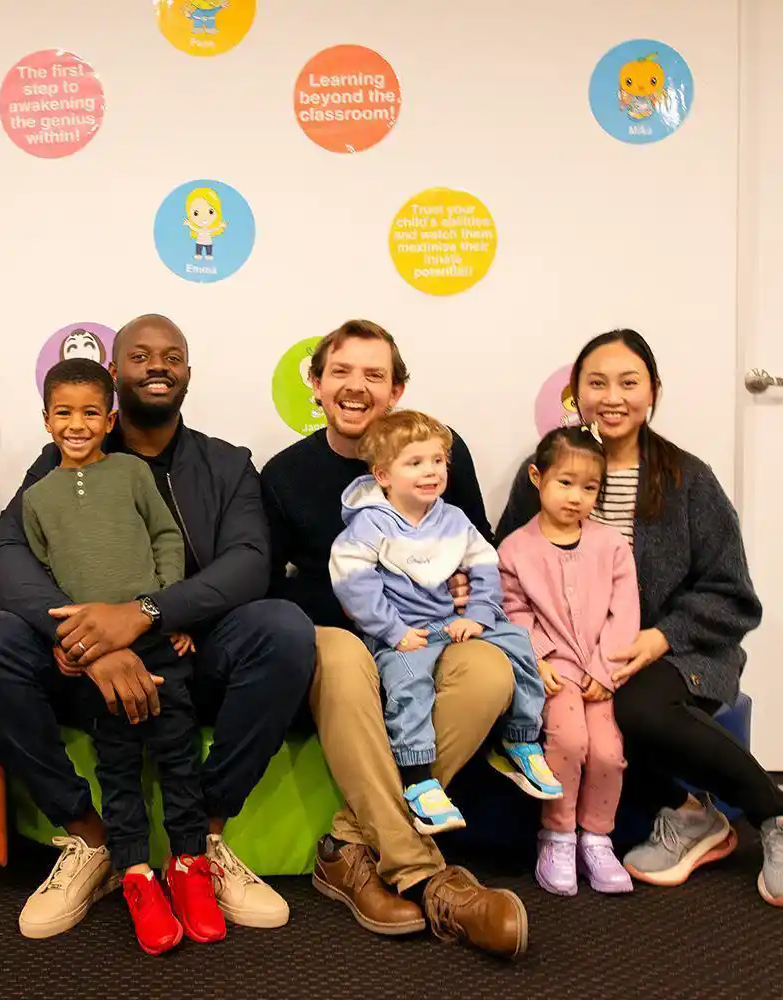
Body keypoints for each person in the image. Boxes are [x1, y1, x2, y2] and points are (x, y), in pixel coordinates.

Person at [0, 314, 312, 940]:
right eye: (140, 355)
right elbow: (5, 557)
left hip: (189, 649)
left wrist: (146, 614)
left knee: (281, 627)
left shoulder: (227, 465)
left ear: (189, 373)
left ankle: (207, 843)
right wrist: (85, 639)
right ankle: (89, 843)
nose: (158, 365)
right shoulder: (61, 462)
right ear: (114, 378)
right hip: (83, 662)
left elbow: (251, 563)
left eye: (172, 355)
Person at [495, 328, 783, 910]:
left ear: (653, 394)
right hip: (567, 655)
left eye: (629, 382)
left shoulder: (687, 479)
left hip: (675, 650)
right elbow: (510, 573)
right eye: (597, 382)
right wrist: (536, 652)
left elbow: (733, 593)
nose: (612, 396)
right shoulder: (545, 469)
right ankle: (691, 814)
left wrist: (659, 636)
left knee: (635, 707)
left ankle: (776, 811)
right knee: (578, 718)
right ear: (576, 394)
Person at [261, 319, 528, 959]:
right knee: (346, 654)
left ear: (396, 390)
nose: (357, 387)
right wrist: (366, 612)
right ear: (316, 384)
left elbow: (475, 543)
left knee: (493, 671)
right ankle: (429, 878)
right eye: (342, 372)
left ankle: (348, 845)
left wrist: (466, 589)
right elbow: (267, 586)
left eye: (374, 375)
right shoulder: (286, 474)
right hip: (341, 638)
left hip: (430, 632)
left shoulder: (442, 450)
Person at [22, 358, 222, 955]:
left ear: (110, 419)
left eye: (90, 412)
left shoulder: (133, 473)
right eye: (64, 413)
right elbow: (46, 576)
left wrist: (166, 608)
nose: (77, 424)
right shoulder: (37, 498)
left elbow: (166, 537)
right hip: (95, 663)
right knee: (118, 769)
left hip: (156, 639)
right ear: (47, 420)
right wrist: (69, 643)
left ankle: (190, 869)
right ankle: (136, 875)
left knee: (178, 758)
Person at [330, 410, 560, 837]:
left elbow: (485, 565)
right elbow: (353, 585)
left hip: (449, 623)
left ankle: (519, 738)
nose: (430, 471)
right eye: (414, 463)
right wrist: (393, 631)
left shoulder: (452, 519)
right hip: (401, 633)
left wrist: (476, 614)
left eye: (437, 461)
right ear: (383, 474)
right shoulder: (368, 524)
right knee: (408, 683)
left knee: (518, 643)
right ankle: (418, 779)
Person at [498, 426, 639, 896]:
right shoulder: (515, 549)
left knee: (607, 751)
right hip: (554, 674)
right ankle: (556, 835)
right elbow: (512, 610)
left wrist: (604, 669)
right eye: (565, 483)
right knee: (568, 742)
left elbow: (625, 613)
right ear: (537, 477)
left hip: (601, 673)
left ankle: (597, 837)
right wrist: (537, 658)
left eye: (589, 487)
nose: (577, 497)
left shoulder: (613, 547)